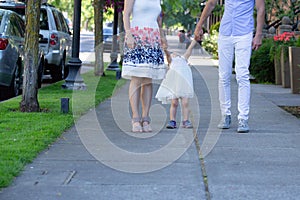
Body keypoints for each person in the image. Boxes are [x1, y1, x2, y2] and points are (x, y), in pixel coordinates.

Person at [194, 0, 265, 133]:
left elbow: (261, 8)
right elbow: (211, 4)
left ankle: (243, 118)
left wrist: (259, 34)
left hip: (244, 33)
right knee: (223, 75)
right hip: (225, 32)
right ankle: (225, 115)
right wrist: (199, 25)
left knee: (242, 75)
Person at [122, 0, 168, 133]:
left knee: (148, 80)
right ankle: (135, 119)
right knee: (136, 79)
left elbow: (158, 19)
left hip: (153, 38)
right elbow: (126, 15)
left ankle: (145, 118)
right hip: (137, 36)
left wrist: (162, 37)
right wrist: (129, 34)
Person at [155, 40, 198, 129]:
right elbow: (167, 56)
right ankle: (172, 121)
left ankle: (185, 121)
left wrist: (195, 40)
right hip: (174, 85)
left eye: (177, 53)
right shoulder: (171, 61)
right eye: (173, 53)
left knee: (185, 103)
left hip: (184, 85)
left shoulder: (183, 59)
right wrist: (166, 50)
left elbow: (189, 49)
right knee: (174, 103)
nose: (175, 54)